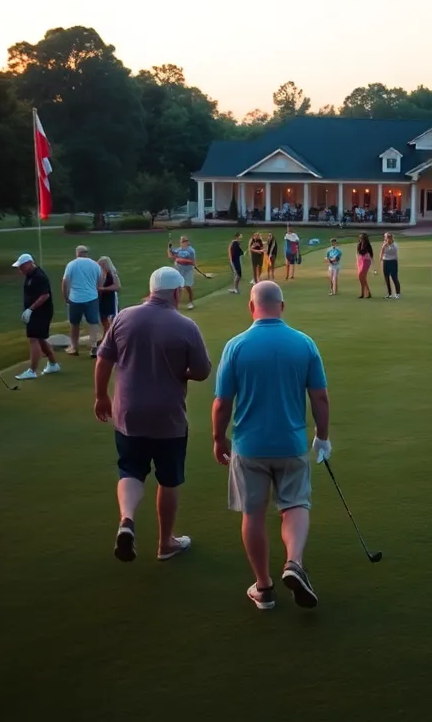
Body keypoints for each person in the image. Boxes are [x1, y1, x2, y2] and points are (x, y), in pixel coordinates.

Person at [212, 281, 330, 611]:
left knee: (253, 513)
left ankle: (263, 588)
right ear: (282, 306)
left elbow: (222, 402)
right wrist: (322, 436)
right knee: (294, 505)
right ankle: (293, 562)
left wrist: (218, 439)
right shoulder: (304, 343)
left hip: (249, 447)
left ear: (251, 307)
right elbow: (319, 396)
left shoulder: (236, 346)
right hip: (291, 444)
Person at [95, 267, 212, 563]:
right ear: (176, 293)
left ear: (150, 291)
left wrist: (100, 396)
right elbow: (201, 371)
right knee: (169, 479)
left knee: (130, 470)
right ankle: (165, 543)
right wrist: (180, 372)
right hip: (168, 418)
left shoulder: (123, 318)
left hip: (128, 415)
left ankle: (127, 519)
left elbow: (103, 360)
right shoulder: (186, 326)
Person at [13, 253, 61, 382]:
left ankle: (32, 371)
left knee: (33, 338)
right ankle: (53, 364)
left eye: (21, 266)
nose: (20, 269)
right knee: (39, 338)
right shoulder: (30, 275)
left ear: (29, 264)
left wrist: (30, 309)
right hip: (36, 312)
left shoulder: (39, 276)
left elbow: (45, 295)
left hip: (41, 312)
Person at [63, 245, 103, 357]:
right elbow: (100, 283)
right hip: (92, 297)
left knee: (74, 323)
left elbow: (65, 282)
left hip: (75, 298)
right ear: (87, 253)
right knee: (93, 323)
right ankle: (94, 347)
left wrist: (66, 297)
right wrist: (98, 296)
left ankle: (74, 348)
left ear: (77, 253)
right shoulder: (95, 265)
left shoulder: (71, 264)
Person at [168, 235, 197, 311]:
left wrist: (181, 260)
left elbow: (192, 261)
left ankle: (191, 302)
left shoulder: (191, 251)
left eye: (184, 241)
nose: (183, 243)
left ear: (187, 242)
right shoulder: (178, 250)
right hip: (179, 270)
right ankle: (175, 304)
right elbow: (171, 255)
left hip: (188, 270)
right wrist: (169, 248)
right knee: (178, 287)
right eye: (181, 241)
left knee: (187, 286)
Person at [97, 256, 122, 337]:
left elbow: (117, 286)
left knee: (112, 318)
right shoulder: (102, 275)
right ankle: (106, 335)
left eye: (102, 264)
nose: (101, 267)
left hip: (111, 299)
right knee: (103, 317)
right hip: (103, 299)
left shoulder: (112, 274)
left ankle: (113, 335)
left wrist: (102, 289)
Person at [381, 232, 401, 299]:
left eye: (387, 238)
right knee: (386, 278)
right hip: (385, 261)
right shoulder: (384, 244)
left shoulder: (395, 245)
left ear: (391, 238)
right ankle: (389, 294)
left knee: (394, 277)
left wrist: (389, 245)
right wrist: (384, 246)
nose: (386, 239)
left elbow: (394, 251)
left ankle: (398, 294)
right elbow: (382, 252)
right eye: (386, 238)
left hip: (393, 261)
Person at [355, 233, 374, 299]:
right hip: (360, 261)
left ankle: (365, 293)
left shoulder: (368, 245)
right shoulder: (359, 245)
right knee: (362, 278)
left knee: (361, 275)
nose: (361, 240)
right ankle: (364, 293)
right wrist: (357, 262)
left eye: (362, 238)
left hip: (366, 261)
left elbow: (370, 254)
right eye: (360, 238)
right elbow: (358, 253)